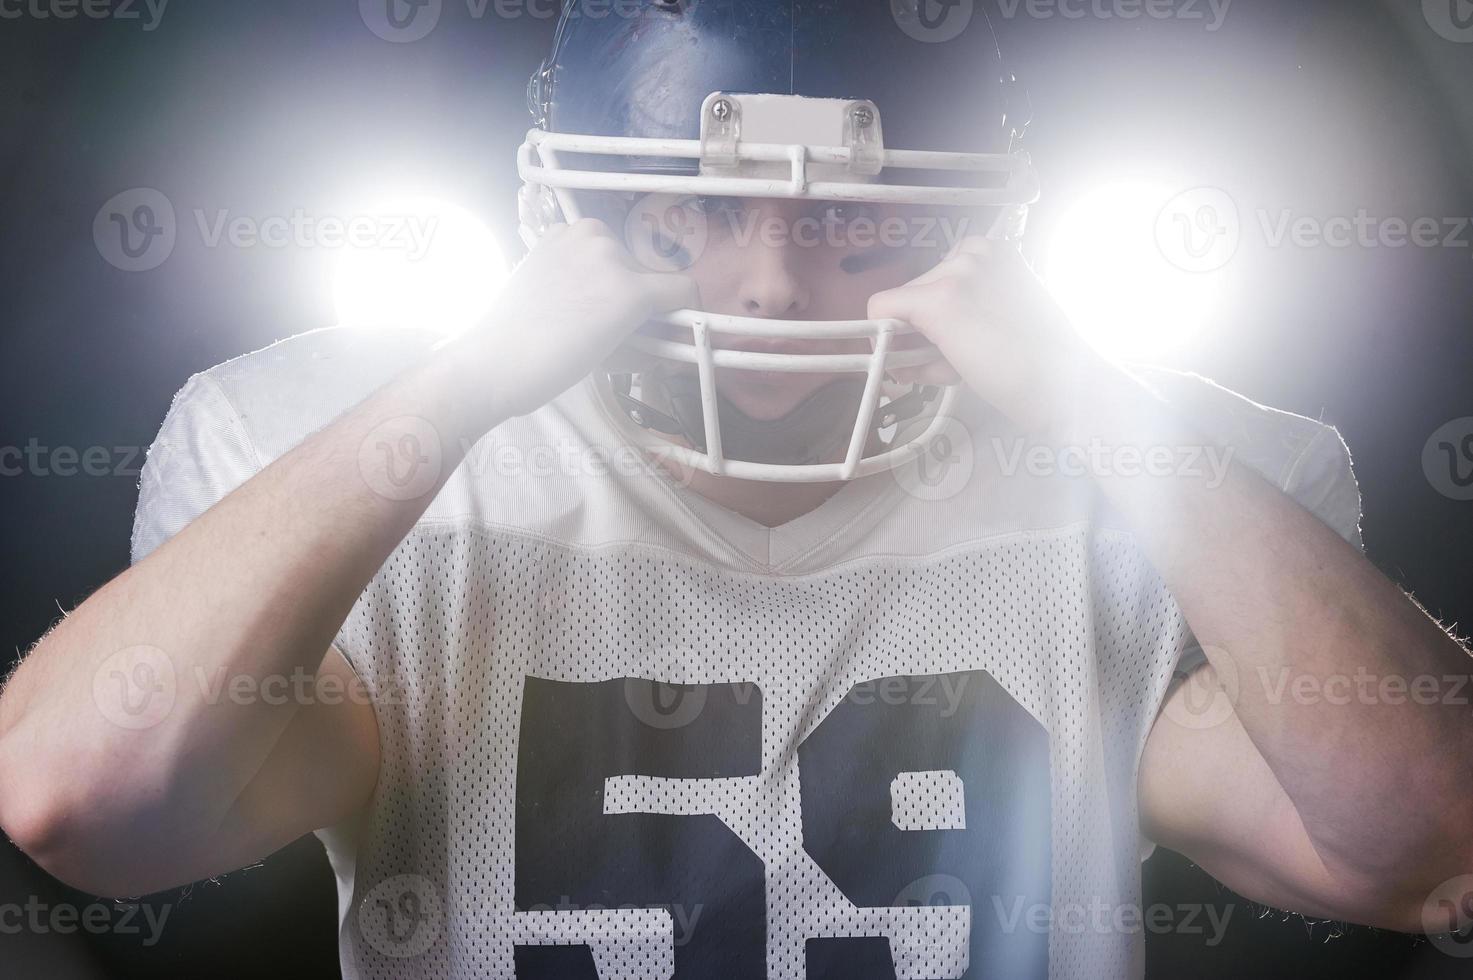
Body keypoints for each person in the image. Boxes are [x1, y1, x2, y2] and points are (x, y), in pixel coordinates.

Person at [2, 2, 1470, 978]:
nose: (768, 284)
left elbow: (1428, 843)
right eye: (690, 208)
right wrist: (463, 384)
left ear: (977, 222)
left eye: (850, 216)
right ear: (561, 206)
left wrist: (1088, 400)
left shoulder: (1156, 479)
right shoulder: (338, 443)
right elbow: (86, 807)